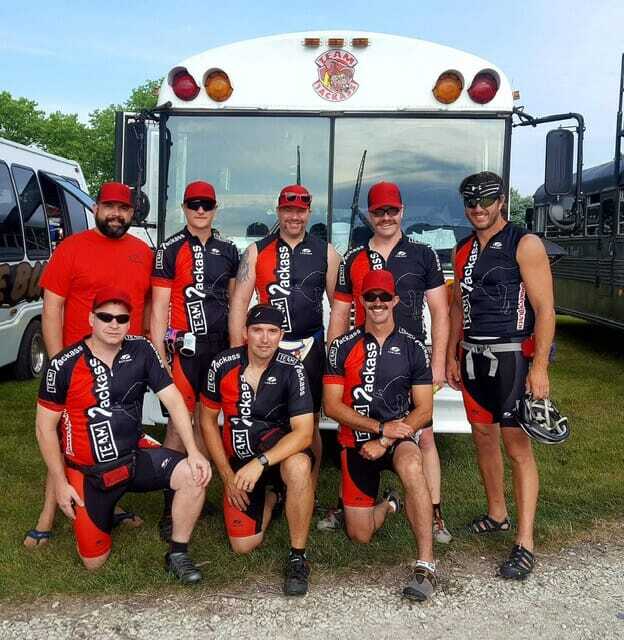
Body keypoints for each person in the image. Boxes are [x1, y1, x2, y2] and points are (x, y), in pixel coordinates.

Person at [35, 288, 210, 582]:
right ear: (91, 319)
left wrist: (193, 450)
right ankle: (107, 512)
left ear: (130, 322)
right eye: (105, 317)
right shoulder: (63, 364)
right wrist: (61, 483)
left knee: (195, 474)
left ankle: (178, 554)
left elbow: (173, 400)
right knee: (94, 562)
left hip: (133, 457)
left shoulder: (142, 349)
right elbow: (44, 428)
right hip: (90, 472)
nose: (114, 324)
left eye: (122, 318)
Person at [25, 181, 154, 547]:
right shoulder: (72, 248)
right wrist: (57, 364)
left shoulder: (142, 253)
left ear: (132, 213)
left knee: (118, 438)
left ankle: (109, 504)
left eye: (123, 209)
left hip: (125, 368)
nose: (116, 214)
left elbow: (146, 305)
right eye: (109, 207)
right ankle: (47, 516)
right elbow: (52, 308)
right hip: (78, 366)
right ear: (96, 208)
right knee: (66, 440)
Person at [324, 181, 451, 542]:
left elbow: (440, 311)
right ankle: (347, 503)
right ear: (370, 214)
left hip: (411, 360)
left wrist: (438, 363)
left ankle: (435, 513)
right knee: (352, 434)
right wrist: (335, 359)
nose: (385, 217)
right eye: (379, 212)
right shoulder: (353, 258)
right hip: (361, 358)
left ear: (402, 211)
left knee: (424, 436)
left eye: (391, 210)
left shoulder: (423, 254)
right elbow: (340, 312)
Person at [446, 171, 555, 580]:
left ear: (502, 201)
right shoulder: (461, 249)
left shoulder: (525, 243)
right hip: (472, 356)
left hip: (512, 357)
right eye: (471, 202)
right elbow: (457, 305)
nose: (478, 208)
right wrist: (452, 354)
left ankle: (525, 541)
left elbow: (545, 310)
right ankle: (497, 513)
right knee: (483, 437)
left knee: (517, 447)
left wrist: (539, 367)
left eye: (486, 200)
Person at [324, 269, 436, 601]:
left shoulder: (414, 347)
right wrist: (378, 429)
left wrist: (386, 438)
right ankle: (389, 505)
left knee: (413, 465)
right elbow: (331, 406)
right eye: (371, 297)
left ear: (395, 300)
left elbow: (424, 409)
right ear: (361, 300)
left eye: (384, 297)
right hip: (357, 442)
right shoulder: (341, 346)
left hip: (397, 439)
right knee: (360, 535)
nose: (377, 303)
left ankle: (426, 564)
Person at [228, 184, 341, 489]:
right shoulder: (256, 250)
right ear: (278, 211)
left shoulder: (327, 252)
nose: (294, 217)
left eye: (300, 211)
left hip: (310, 347)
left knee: (309, 422)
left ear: (309, 213)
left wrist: (335, 351)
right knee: (268, 418)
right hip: (267, 348)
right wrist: (237, 351)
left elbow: (339, 306)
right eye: (288, 210)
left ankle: (307, 490)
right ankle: (271, 489)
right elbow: (239, 302)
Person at [201, 304, 315, 596]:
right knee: (243, 546)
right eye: (257, 330)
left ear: (281, 335)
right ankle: (273, 498)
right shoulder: (222, 363)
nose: (265, 338)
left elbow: (304, 433)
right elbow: (207, 421)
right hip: (240, 459)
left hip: (279, 456)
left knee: (299, 466)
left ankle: (297, 556)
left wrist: (261, 462)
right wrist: (227, 476)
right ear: (245, 333)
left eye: (272, 331)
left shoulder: (293, 368)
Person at [151, 180, 239, 539]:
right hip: (183, 350)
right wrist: (159, 357)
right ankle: (170, 505)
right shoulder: (169, 248)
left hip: (218, 349)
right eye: (194, 204)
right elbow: (158, 308)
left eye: (206, 205)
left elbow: (234, 304)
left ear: (215, 208)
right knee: (177, 426)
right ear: (184, 208)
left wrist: (235, 352)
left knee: (207, 423)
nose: (200, 210)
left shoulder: (229, 249)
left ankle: (196, 492)